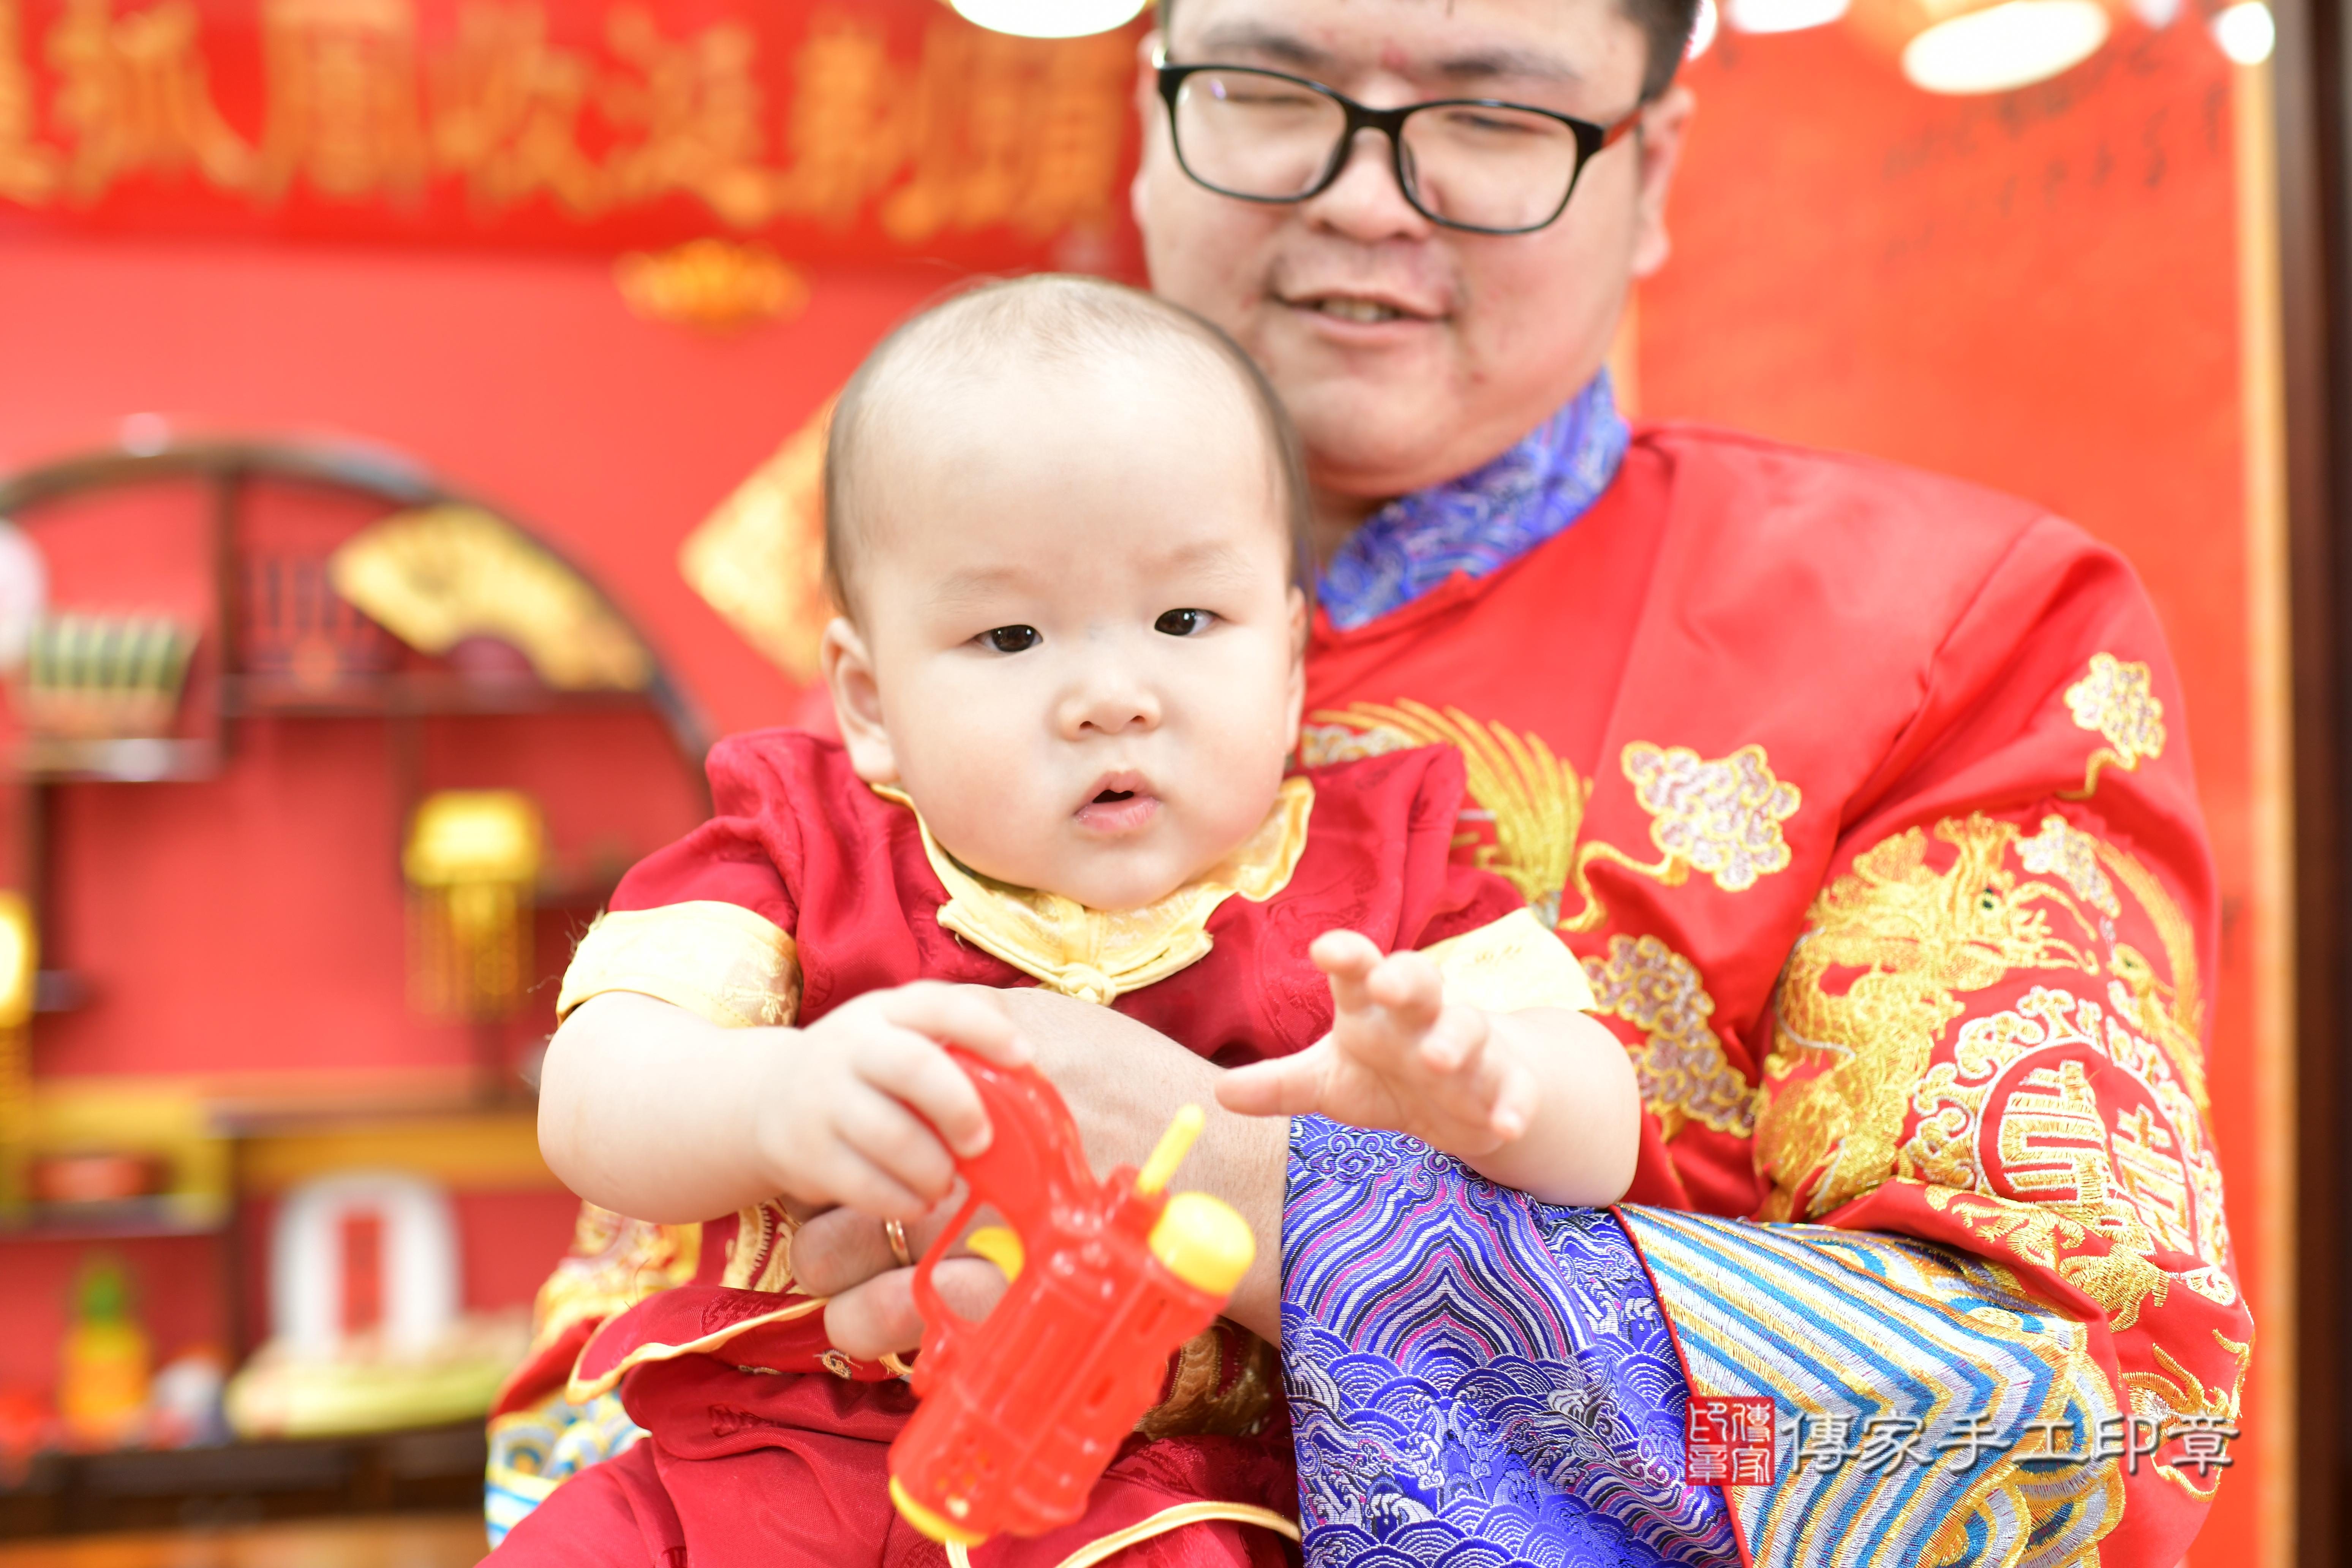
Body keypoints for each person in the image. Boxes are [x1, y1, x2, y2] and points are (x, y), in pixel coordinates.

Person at [503, 0, 2252, 1563]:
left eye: (1494, 115)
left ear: (1649, 167)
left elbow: (2094, 1417)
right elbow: (616, 1301)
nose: (1365, 198)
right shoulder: (933, 555)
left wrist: (1247, 1201)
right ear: (1152, 95)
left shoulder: (1961, 637)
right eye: (1275, 83)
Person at [488, 275, 1639, 1568]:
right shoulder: (808, 844)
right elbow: (593, 1094)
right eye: (1012, 632)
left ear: (1294, 663)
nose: (1109, 694)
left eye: (1187, 620)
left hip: (1163, 1489)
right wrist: (769, 1095)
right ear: (868, 700)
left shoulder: (1383, 879)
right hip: (785, 1453)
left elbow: (1603, 1138)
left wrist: (1485, 1093)